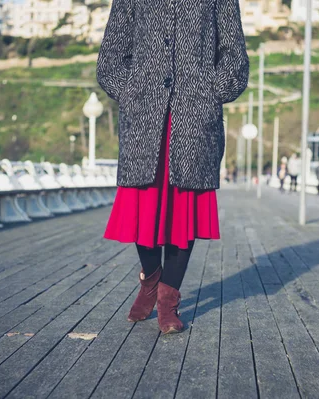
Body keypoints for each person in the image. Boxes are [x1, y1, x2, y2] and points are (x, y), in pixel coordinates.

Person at [97, 0, 249, 334]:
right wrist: (134, 91)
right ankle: (150, 278)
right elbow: (110, 60)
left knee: (184, 211)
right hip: (144, 118)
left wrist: (208, 91)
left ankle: (168, 300)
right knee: (143, 206)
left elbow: (235, 59)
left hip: (194, 118)